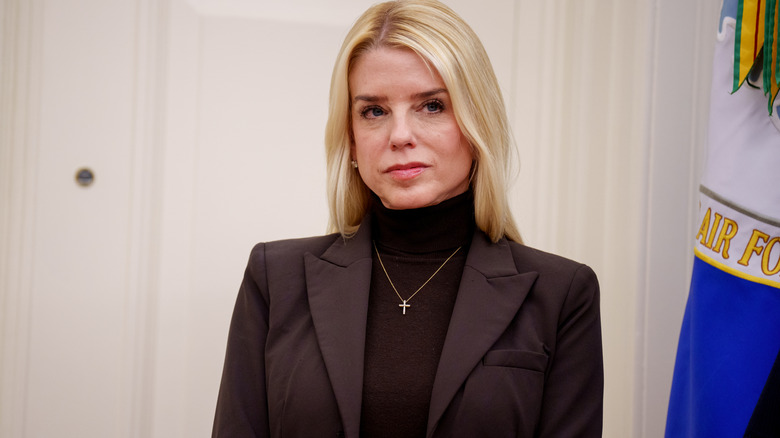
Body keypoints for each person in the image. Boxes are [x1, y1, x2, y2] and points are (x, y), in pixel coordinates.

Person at [212, 0, 603, 437]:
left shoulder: (562, 294)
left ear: (478, 123)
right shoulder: (275, 279)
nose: (400, 136)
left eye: (431, 106)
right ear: (352, 139)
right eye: (374, 111)